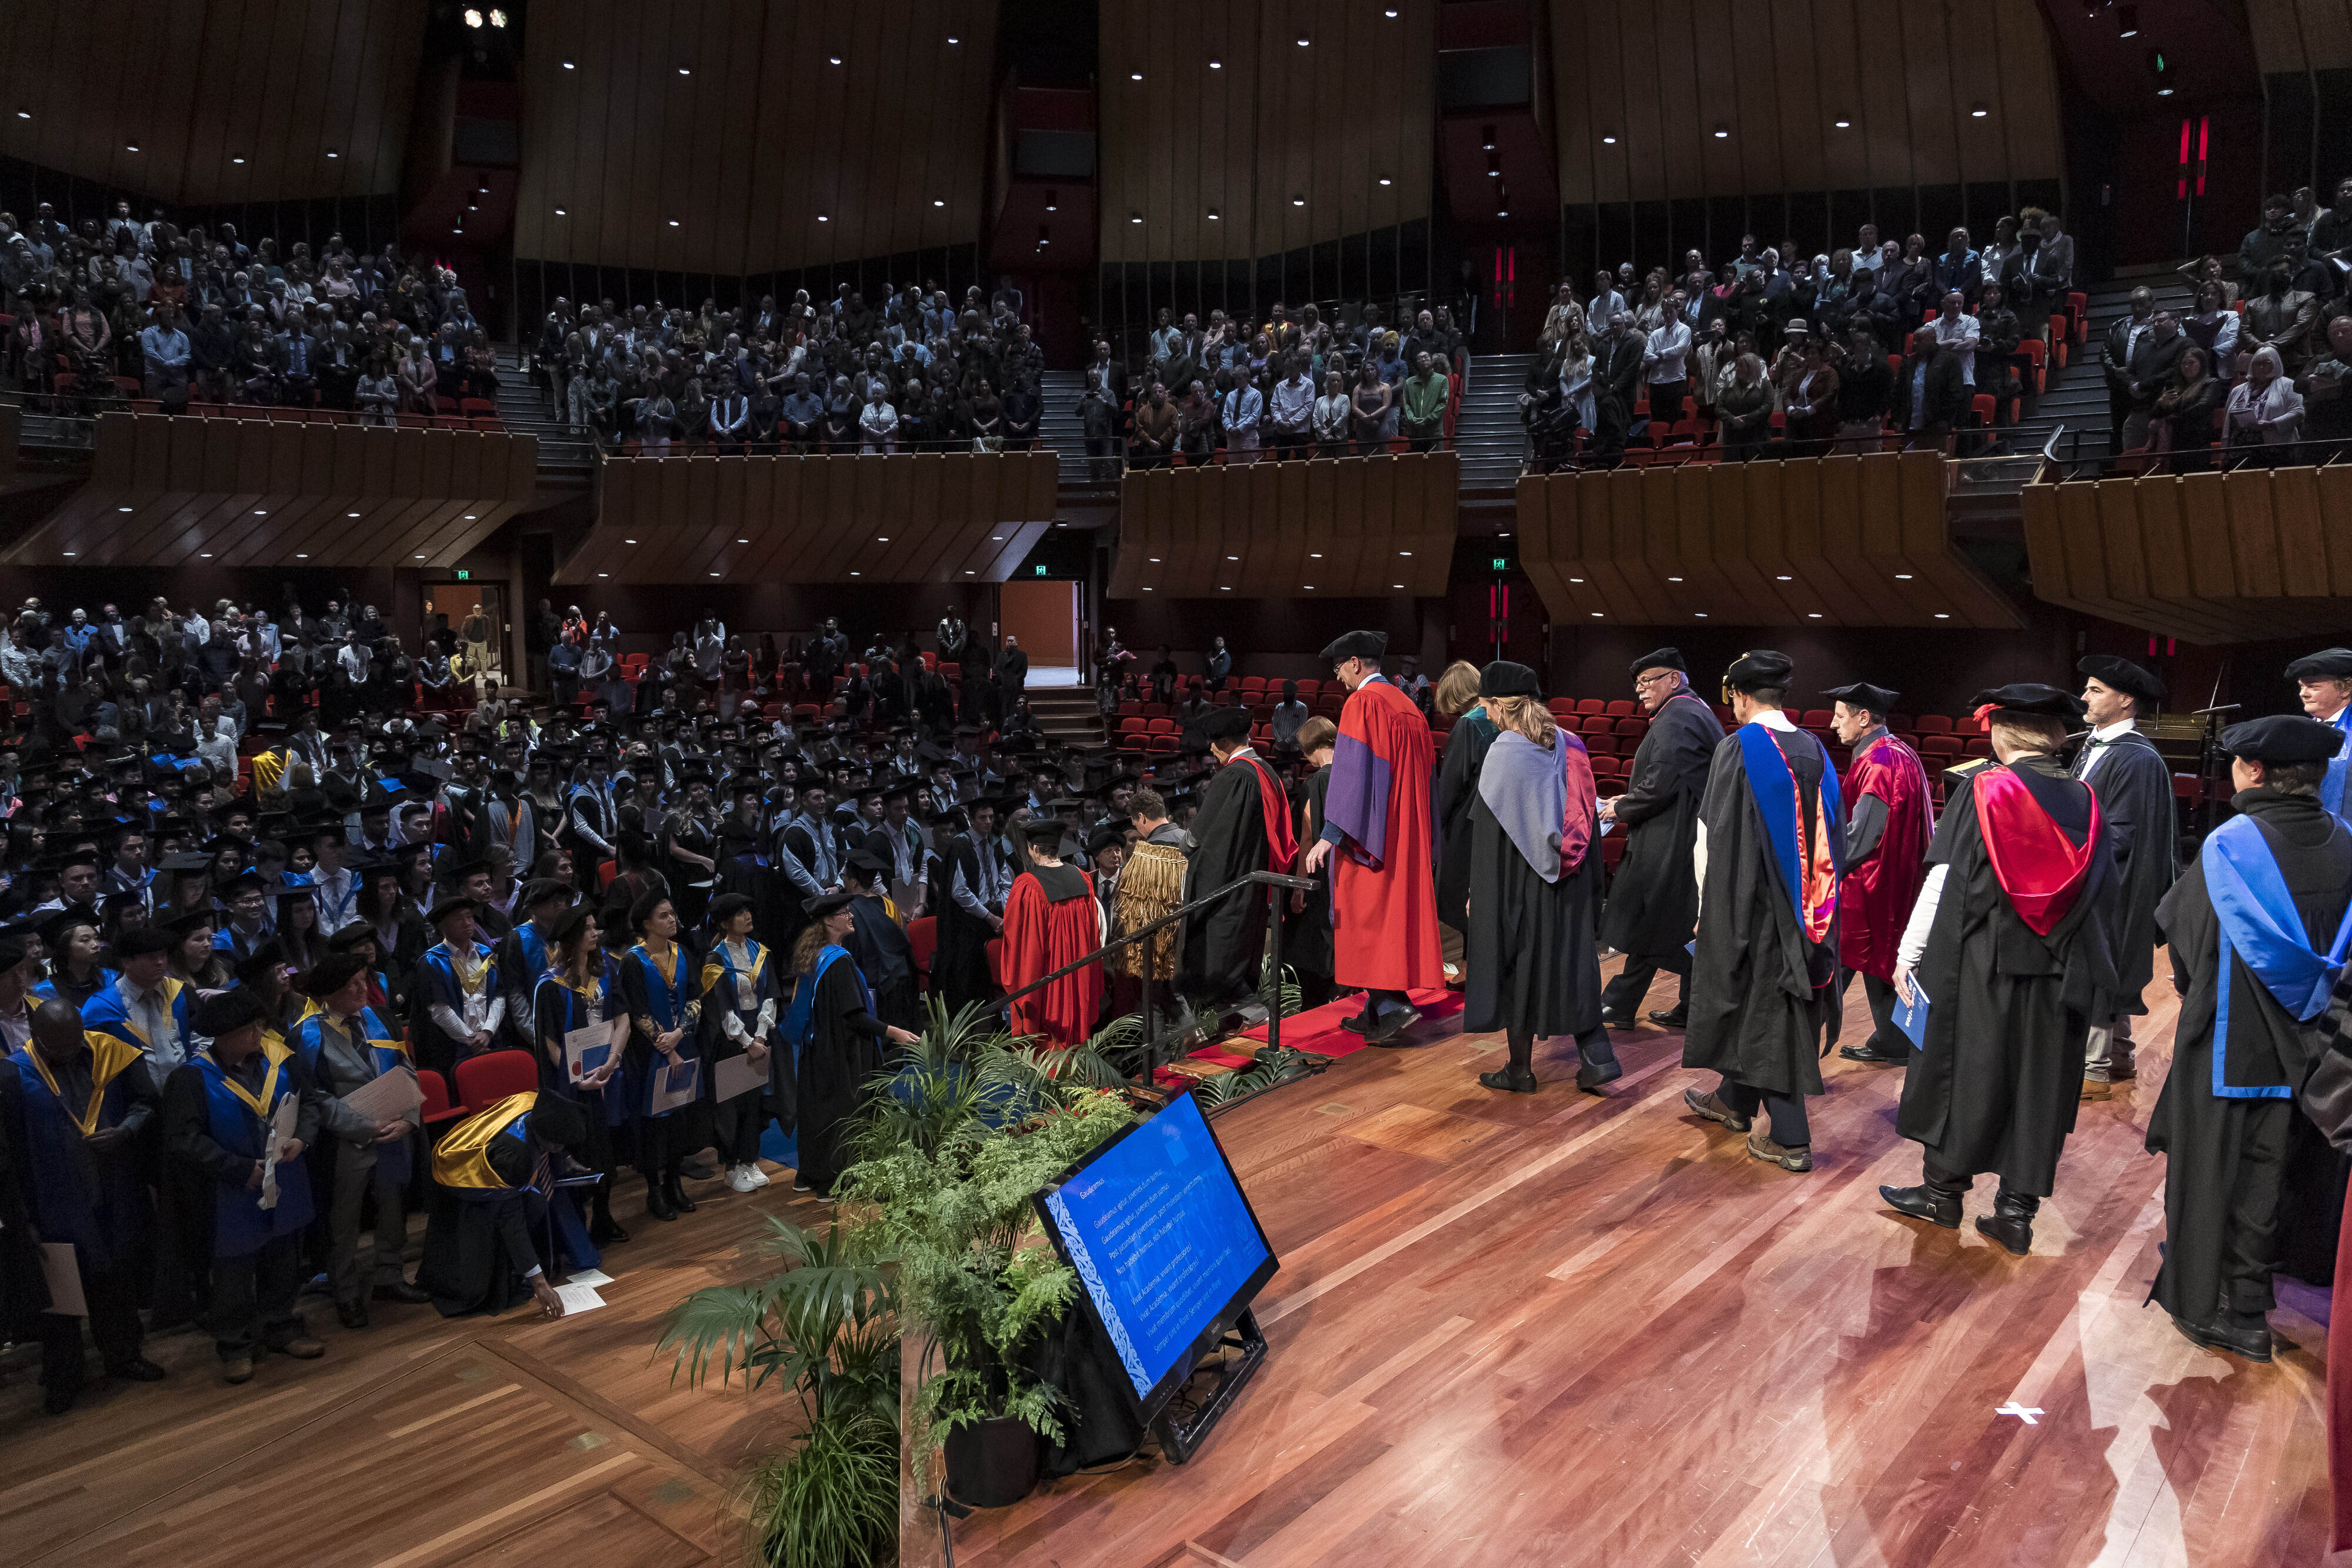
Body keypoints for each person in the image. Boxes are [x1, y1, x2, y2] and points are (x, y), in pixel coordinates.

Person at [1880, 685, 2120, 1255]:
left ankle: (1943, 1193)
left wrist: (1908, 953)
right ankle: (2015, 1212)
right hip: (2061, 969)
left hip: (1984, 965)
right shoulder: (2087, 798)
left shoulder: (1986, 789)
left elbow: (1943, 879)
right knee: (2040, 1083)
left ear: (2001, 731)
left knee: (1966, 1072)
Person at [2146, 715, 2352, 1361]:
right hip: (2323, 1046)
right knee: (2290, 1165)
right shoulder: (2348, 840)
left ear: (2255, 770)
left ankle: (2238, 1311)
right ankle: (2270, 1277)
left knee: (2227, 1172)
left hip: (2237, 1042)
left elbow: (2185, 944)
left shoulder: (2234, 844)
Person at [1681, 651, 1844, 1174]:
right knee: (1767, 1004)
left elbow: (1712, 838)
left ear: (1741, 696)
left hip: (1751, 908)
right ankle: (1734, 1100)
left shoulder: (1739, 748)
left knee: (1764, 1006)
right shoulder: (1816, 749)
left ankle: (1791, 1136)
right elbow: (1833, 838)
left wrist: (1709, 907)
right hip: (1810, 906)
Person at [1460, 663, 1619, 1095]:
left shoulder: (1504, 751)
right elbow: (1584, 815)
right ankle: (1596, 1057)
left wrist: (1480, 894)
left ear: (1497, 705)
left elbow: (1490, 836)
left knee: (1518, 968)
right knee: (1571, 964)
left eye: (1486, 706)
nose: (1486, 715)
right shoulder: (1572, 744)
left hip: (1519, 885)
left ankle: (1519, 1070)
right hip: (1569, 882)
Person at [4, 996, 164, 1414]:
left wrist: (127, 1131)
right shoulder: (12, 1077)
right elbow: (9, 1156)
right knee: (61, 1299)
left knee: (116, 1279)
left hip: (111, 1191)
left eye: (76, 1042)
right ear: (36, 1038)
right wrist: (23, 1219)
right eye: (58, 1047)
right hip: (52, 1202)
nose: (70, 1052)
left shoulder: (109, 1053)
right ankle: (63, 1377)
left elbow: (147, 1104)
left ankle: (124, 1356)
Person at [162, 986, 326, 1384]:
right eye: (251, 1028)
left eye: (259, 1025)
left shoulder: (280, 1061)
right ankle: (235, 1344)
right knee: (234, 1275)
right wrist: (238, 1169)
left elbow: (312, 1104)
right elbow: (184, 1139)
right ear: (224, 1035)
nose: (259, 1033)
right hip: (231, 1192)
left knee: (285, 1260)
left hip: (286, 1180)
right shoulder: (192, 1078)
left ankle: (281, 1326)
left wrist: (302, 1139)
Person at [1299, 630, 1442, 1041]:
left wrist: (1332, 832)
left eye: (1339, 667)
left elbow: (1354, 772)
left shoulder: (1364, 702)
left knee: (1364, 915)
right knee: (1390, 920)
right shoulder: (1407, 705)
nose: (1338, 676)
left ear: (1356, 663)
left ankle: (1392, 1004)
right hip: (1406, 831)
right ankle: (1376, 1009)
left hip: (1374, 833)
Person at [289, 949, 425, 1329]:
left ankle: (389, 1276)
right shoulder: (307, 1035)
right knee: (343, 1222)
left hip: (395, 1132)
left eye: (364, 980)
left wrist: (410, 1119)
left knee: (393, 1209)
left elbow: (407, 1069)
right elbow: (315, 1099)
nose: (362, 989)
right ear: (328, 993)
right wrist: (366, 1128)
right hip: (346, 1144)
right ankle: (345, 1290)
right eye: (351, 985)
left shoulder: (379, 1019)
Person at [1599, 649, 1723, 1027]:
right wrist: (1628, 797)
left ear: (1674, 679)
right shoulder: (1692, 711)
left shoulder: (1678, 716)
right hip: (1687, 834)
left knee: (1651, 922)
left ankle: (1619, 1005)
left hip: (1672, 840)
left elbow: (1662, 784)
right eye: (1637, 683)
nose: (1640, 690)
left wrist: (1620, 809)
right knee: (1679, 922)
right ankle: (1691, 1008)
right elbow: (1675, 778)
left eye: (1647, 681)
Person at [2074, 655, 2178, 1097]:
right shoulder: (2095, 745)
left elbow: (2120, 835)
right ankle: (2118, 1056)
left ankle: (2092, 1070)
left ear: (2125, 700)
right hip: (2098, 877)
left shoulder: (2135, 758)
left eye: (2095, 690)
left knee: (2101, 966)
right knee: (2106, 966)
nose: (2084, 696)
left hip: (2112, 884)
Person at [1826, 682, 1934, 1064]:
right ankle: (1894, 1040)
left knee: (1842, 959)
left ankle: (1794, 1035)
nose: (1832, 724)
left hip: (1872, 882)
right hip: (1896, 878)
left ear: (1863, 717)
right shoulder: (1899, 751)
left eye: (1840, 716)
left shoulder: (1877, 762)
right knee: (1877, 962)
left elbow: (1864, 834)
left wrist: (1828, 866)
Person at [781, 891, 916, 1197]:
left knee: (816, 1110)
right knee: (841, 1113)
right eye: (844, 913)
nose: (851, 916)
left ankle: (808, 1175)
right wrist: (894, 1032)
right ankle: (832, 1182)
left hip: (816, 1049)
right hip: (842, 1051)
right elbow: (854, 1015)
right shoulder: (838, 962)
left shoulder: (815, 955)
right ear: (829, 921)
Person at [415, 1089, 593, 1319]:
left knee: (532, 1204)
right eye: (559, 1146)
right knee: (475, 1273)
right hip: (464, 1178)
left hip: (480, 1152)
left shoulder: (533, 1102)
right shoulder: (516, 1156)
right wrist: (539, 1283)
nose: (560, 1149)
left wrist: (565, 1157)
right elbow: (512, 1224)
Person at [1179, 708, 1297, 1019]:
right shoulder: (1265, 770)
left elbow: (1201, 839)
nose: (1211, 751)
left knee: (1221, 964)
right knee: (1243, 956)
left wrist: (1186, 849)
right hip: (1254, 883)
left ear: (1225, 743)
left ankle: (1255, 1018)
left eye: (1213, 745)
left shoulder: (1232, 777)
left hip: (1229, 887)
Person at [618, 890, 706, 1222]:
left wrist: (680, 1034)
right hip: (650, 1054)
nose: (672, 920)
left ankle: (674, 1183)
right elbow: (636, 1010)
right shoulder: (633, 960)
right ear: (646, 925)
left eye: (673, 914)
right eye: (664, 916)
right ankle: (654, 1191)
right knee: (655, 1124)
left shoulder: (682, 953)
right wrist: (663, 1044)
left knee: (680, 1119)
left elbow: (695, 999)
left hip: (684, 1045)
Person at [696, 891, 779, 1193]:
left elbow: (770, 994)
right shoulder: (715, 959)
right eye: (740, 913)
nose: (748, 917)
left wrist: (761, 1035)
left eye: (748, 911)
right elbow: (721, 1009)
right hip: (731, 1041)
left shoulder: (759, 951)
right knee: (732, 1106)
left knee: (754, 1102)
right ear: (724, 922)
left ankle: (749, 1160)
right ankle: (732, 1166)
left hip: (759, 1036)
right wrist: (747, 1041)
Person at [1004, 818, 1107, 1047]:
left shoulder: (1028, 886)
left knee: (1048, 1048)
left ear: (1035, 849)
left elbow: (1021, 945)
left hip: (1047, 985)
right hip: (1079, 979)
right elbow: (1094, 936)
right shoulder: (1083, 879)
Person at [1433, 660, 1500, 969]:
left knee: (1463, 903)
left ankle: (1474, 969)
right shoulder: (1499, 720)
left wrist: (1435, 825)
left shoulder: (1469, 725)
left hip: (1466, 826)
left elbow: (1451, 786)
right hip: (1495, 821)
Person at [411, 894, 503, 1077]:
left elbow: (499, 996)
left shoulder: (486, 954)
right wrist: (472, 1040)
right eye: (459, 919)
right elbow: (439, 1010)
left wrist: (487, 1032)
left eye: (469, 917)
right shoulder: (432, 962)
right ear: (442, 927)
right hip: (452, 1050)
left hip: (490, 1040)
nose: (468, 923)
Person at [2286, 646, 2352, 823]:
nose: (2303, 694)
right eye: (2302, 686)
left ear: (2345, 689)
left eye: (2313, 687)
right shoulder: (2300, 731)